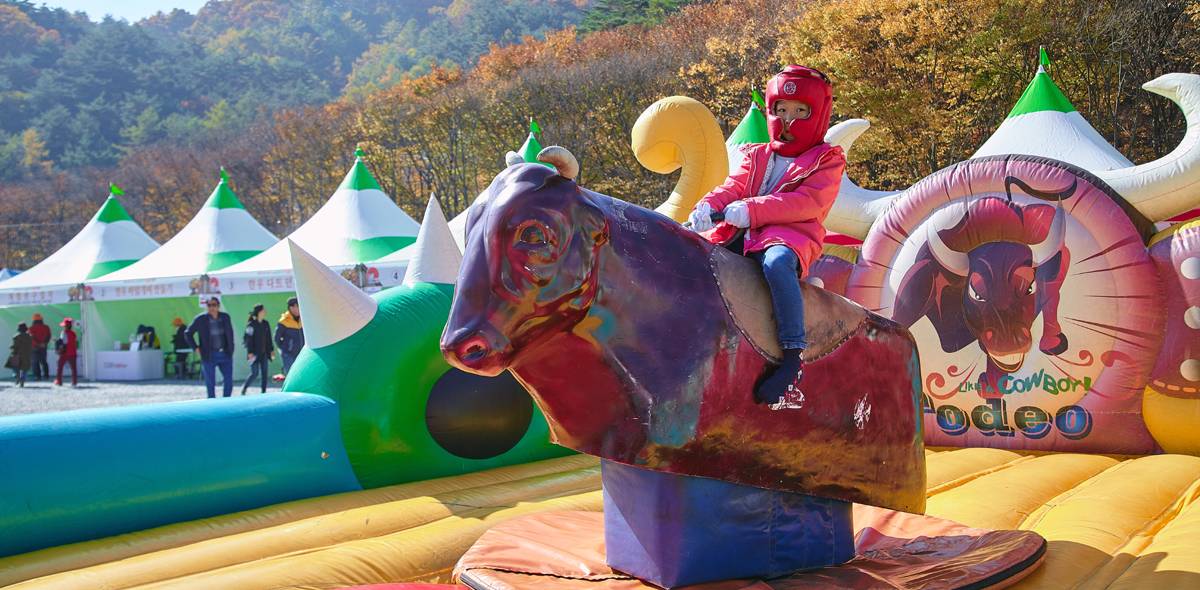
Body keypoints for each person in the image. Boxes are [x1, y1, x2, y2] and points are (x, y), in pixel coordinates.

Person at [689, 65, 846, 408]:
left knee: (776, 263)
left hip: (790, 236)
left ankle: (792, 357)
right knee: (696, 255)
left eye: (800, 111)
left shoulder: (827, 160)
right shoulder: (757, 154)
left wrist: (752, 210)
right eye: (781, 110)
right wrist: (707, 206)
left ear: (818, 115)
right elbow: (732, 187)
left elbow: (808, 202)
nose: (788, 120)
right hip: (740, 232)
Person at [186, 297, 236, 398]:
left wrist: (231, 348)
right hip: (209, 354)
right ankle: (212, 402)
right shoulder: (201, 319)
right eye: (209, 305)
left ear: (218, 306)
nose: (211, 307)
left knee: (228, 380)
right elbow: (187, 333)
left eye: (214, 305)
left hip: (225, 353)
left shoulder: (225, 317)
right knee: (210, 383)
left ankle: (227, 401)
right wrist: (196, 348)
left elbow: (230, 333)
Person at [241, 304, 274, 395]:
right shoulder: (251, 325)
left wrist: (271, 350)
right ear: (259, 312)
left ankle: (263, 392)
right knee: (255, 373)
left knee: (264, 373)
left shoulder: (265, 323)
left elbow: (269, 338)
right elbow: (248, 339)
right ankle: (245, 387)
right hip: (255, 353)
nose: (265, 312)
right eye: (264, 310)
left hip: (265, 353)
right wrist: (250, 352)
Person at [274, 297, 304, 379]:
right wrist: (285, 348)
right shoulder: (284, 321)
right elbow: (276, 338)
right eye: (298, 306)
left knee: (301, 376)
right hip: (288, 355)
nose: (300, 308)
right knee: (291, 376)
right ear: (291, 308)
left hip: (301, 353)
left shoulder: (302, 319)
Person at [54, 318, 78, 386]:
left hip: (65, 353)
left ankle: (59, 380)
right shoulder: (73, 333)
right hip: (73, 352)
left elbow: (64, 342)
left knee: (60, 366)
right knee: (73, 368)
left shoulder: (64, 333)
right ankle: (74, 381)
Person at [28, 313, 50, 381]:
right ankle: (46, 375)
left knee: (35, 362)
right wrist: (44, 343)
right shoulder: (46, 327)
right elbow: (48, 336)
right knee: (44, 361)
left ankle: (37, 376)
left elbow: (32, 336)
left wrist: (38, 343)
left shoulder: (31, 328)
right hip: (43, 346)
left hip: (35, 346)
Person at [11, 323, 32, 387]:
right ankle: (22, 381)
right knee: (25, 369)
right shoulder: (29, 337)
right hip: (26, 354)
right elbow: (30, 346)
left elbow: (15, 346)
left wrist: (11, 347)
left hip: (17, 354)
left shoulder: (16, 337)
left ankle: (17, 375)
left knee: (15, 367)